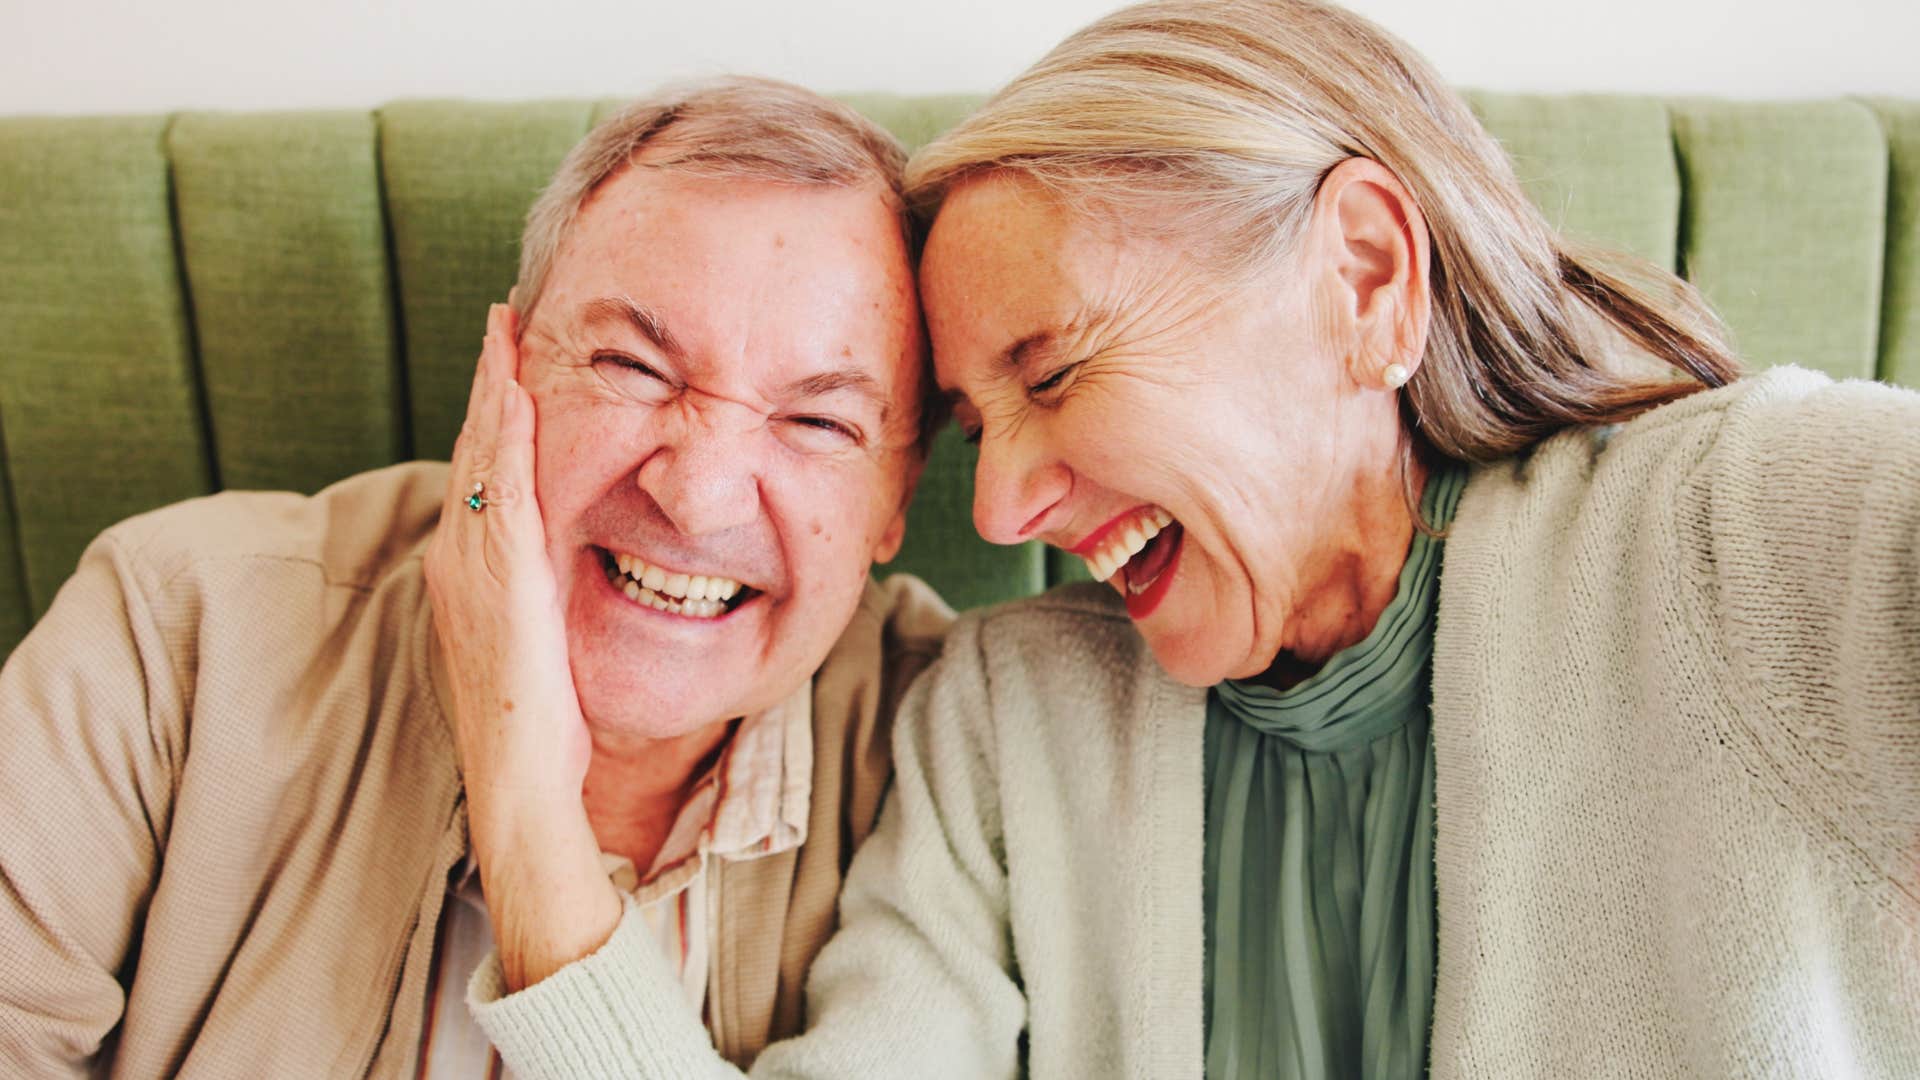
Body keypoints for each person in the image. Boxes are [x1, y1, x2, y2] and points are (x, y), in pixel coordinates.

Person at [437, 1, 1920, 1076]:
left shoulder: (1746, 532)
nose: (1003, 510)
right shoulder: (1008, 722)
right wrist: (522, 791)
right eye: (971, 417)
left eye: (1058, 372)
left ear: (1363, 277)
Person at [0, 77, 951, 1078]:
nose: (699, 496)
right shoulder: (176, 629)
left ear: (896, 499)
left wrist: (525, 801)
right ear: (504, 370)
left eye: (818, 423)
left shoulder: (952, 756)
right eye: (634, 367)